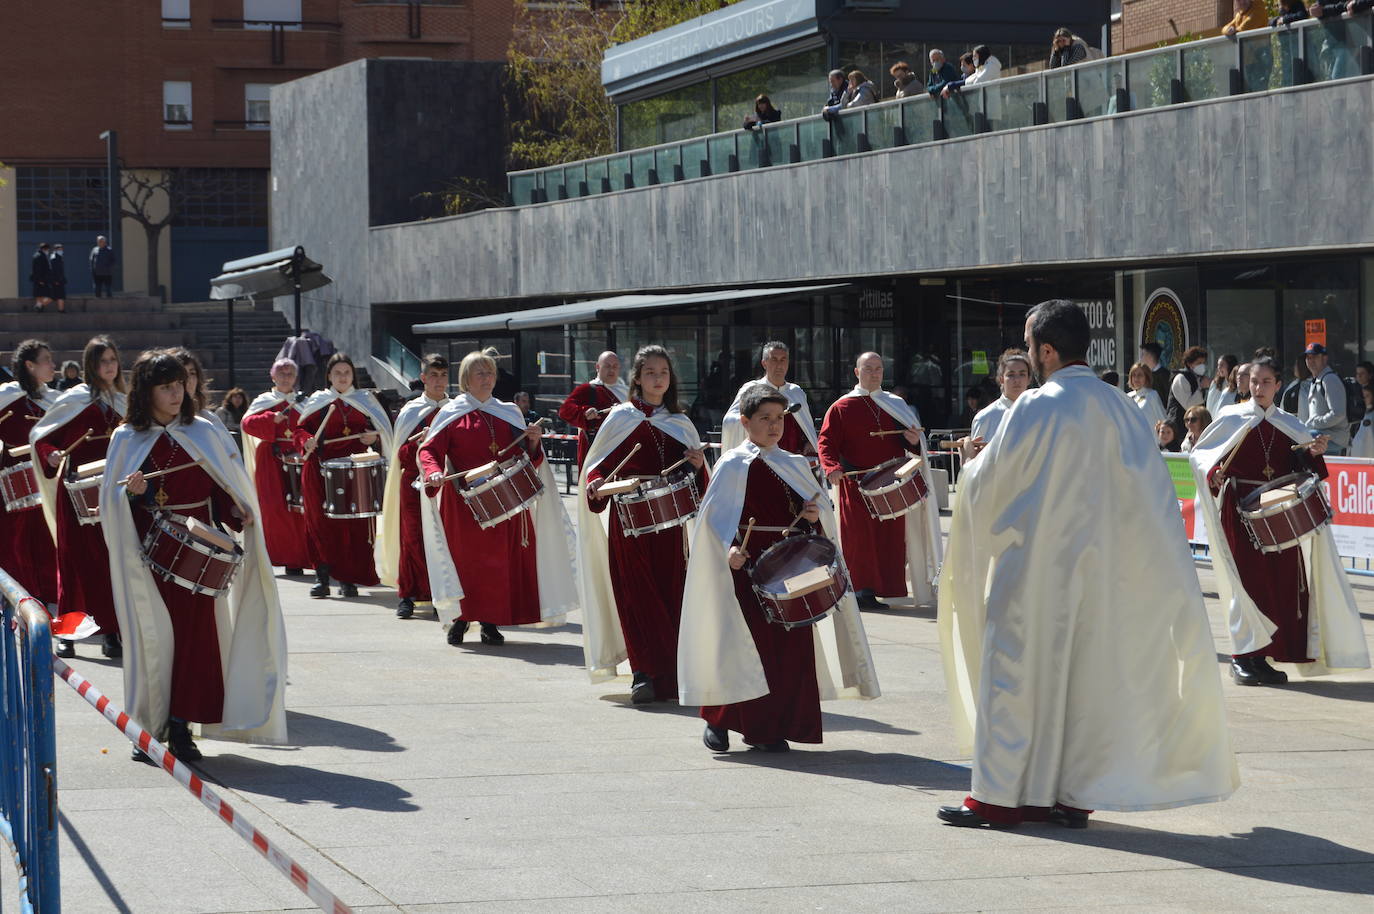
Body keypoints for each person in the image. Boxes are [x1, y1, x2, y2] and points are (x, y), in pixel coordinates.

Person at [937, 299, 1237, 829]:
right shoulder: (1123, 406)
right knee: (1086, 685)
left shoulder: (1034, 406)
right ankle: (1072, 794)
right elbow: (1152, 496)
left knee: (1015, 676)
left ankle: (999, 796)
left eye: (1029, 345)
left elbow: (987, 487)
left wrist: (975, 462)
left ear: (1047, 350)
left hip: (1036, 571)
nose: (1028, 355)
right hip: (1106, 574)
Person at [104, 349, 287, 762]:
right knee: (152, 641)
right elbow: (114, 504)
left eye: (179, 386)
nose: (176, 394)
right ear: (146, 392)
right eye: (165, 388)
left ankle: (183, 727)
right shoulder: (126, 438)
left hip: (198, 555)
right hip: (147, 556)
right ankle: (148, 728)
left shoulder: (204, 431)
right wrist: (133, 492)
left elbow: (223, 486)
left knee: (194, 644)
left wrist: (236, 511)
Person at [679, 385, 880, 753]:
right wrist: (730, 548)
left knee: (788, 649)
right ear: (745, 422)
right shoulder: (732, 464)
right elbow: (712, 522)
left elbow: (814, 519)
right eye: (765, 419)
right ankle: (719, 719)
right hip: (747, 567)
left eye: (779, 419)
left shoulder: (794, 463)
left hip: (789, 568)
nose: (774, 426)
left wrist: (813, 516)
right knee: (741, 645)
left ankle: (770, 727)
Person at [1189, 357, 1370, 687]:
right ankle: (1242, 657)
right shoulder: (1231, 418)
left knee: (1277, 584)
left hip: (1277, 513)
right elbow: (1201, 458)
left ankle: (1263, 656)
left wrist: (1312, 452)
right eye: (1254, 381)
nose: (1258, 388)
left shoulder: (1290, 423)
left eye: (1266, 382)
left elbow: (1303, 469)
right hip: (1240, 510)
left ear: (1277, 384)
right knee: (1246, 584)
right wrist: (1214, 474)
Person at [577, 345, 707, 703]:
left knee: (672, 594)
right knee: (637, 597)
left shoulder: (680, 422)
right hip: (629, 523)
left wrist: (697, 465)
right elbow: (598, 467)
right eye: (650, 372)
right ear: (637, 378)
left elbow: (701, 485)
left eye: (663, 372)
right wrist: (597, 483)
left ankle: (675, 672)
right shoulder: (620, 418)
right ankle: (643, 673)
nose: (657, 378)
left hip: (670, 528)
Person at [418, 350, 575, 645]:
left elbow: (526, 457)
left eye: (490, 373)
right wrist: (433, 472)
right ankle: (461, 619)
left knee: (498, 564)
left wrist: (532, 440)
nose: (487, 378)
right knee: (466, 563)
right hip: (464, 503)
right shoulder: (451, 414)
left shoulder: (508, 411)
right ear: (466, 379)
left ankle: (490, 621)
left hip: (505, 501)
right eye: (480, 373)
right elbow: (429, 450)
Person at [817, 352, 942, 610]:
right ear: (856, 372)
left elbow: (915, 443)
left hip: (891, 483)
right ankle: (862, 591)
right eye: (868, 368)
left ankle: (885, 588)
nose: (874, 373)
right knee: (859, 541)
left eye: (878, 369)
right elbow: (826, 442)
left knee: (890, 540)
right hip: (856, 484)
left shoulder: (895, 403)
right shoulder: (841, 407)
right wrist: (831, 468)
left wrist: (913, 441)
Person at [31, 337, 126, 659]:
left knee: (111, 563)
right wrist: (52, 455)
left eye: (113, 359)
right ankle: (69, 634)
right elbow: (42, 439)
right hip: (75, 493)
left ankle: (111, 633)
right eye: (103, 361)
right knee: (73, 564)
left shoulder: (126, 402)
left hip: (113, 493)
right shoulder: (74, 400)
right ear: (91, 365)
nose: (109, 366)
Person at [294, 353, 392, 598]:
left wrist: (374, 437)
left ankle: (349, 577)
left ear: (352, 376)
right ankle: (322, 577)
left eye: (346, 372)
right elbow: (300, 430)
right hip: (320, 468)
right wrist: (306, 441)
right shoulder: (319, 400)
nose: (342, 377)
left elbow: (382, 430)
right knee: (320, 524)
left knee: (353, 525)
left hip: (355, 468)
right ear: (328, 376)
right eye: (337, 373)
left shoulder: (365, 400)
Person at [378, 354, 449, 620]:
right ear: (423, 378)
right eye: (433, 375)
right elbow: (401, 456)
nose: (438, 381)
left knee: (444, 540)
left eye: (443, 375)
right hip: (413, 485)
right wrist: (416, 443)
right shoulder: (410, 411)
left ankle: (439, 594)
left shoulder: (456, 408)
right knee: (412, 540)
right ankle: (408, 595)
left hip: (446, 483)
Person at [0, 341, 60, 614]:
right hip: (10, 488)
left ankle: (46, 601)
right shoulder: (6, 397)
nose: (53, 364)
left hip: (46, 484)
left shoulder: (56, 401)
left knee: (48, 545)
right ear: (30, 365)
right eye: (46, 359)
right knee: (15, 546)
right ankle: (17, 602)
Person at [239, 358, 310, 576]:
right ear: (273, 376)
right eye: (281, 373)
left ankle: (302, 558)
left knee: (302, 511)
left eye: (290, 374)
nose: (286, 377)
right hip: (271, 461)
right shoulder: (264, 401)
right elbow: (246, 424)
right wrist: (271, 419)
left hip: (300, 460)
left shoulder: (304, 402)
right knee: (275, 510)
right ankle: (281, 556)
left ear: (296, 378)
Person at [719, 341, 818, 456]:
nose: (779, 365)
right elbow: (730, 420)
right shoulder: (751, 390)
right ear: (764, 363)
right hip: (761, 458)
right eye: (774, 359)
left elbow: (806, 428)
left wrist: (809, 442)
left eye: (783, 360)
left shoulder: (796, 392)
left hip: (793, 461)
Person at [557, 351, 628, 467]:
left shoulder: (626, 392)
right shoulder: (587, 389)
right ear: (597, 367)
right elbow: (564, 410)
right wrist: (585, 412)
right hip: (596, 453)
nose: (611, 370)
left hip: (622, 452)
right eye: (607, 366)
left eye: (615, 366)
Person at [961, 349, 1031, 459]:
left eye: (1022, 374)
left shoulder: (1038, 413)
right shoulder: (985, 417)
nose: (1017, 380)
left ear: (1029, 379)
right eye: (1011, 375)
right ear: (1001, 379)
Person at [1303, 343, 1351, 454]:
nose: (1311, 361)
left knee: (1302, 440)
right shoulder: (1318, 379)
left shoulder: (1330, 380)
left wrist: (1315, 423)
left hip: (1333, 438)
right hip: (1324, 437)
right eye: (1308, 357)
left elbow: (1338, 414)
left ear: (1325, 358)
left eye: (1315, 357)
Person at [1166, 346, 1210, 437]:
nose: (1202, 366)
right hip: (1178, 429)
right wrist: (1201, 388)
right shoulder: (1181, 378)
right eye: (1199, 363)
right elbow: (1189, 406)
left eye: (1203, 363)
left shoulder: (1198, 378)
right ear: (1190, 364)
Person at [1126, 361, 1166, 428]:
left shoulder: (1152, 395)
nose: (1136, 378)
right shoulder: (1128, 396)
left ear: (1146, 377)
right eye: (1134, 375)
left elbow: (1162, 419)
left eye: (1140, 375)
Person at [1139, 341, 1172, 411]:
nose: (1140, 358)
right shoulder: (1144, 375)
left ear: (1150, 356)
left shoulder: (1165, 376)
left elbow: (1168, 400)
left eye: (1143, 355)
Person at [1349, 385, 1374, 458]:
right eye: (1363, 396)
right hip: (1357, 455)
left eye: (1367, 396)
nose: (1364, 399)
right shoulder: (1360, 413)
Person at [30, 243, 52, 312]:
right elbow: (38, 269)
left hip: (38, 279)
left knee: (39, 294)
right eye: (48, 249)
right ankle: (39, 306)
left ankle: (39, 307)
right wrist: (40, 280)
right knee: (50, 294)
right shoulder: (40, 256)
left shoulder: (37, 255)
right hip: (41, 279)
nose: (48, 251)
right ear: (44, 249)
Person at [48, 244, 67, 314]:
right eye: (60, 249)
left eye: (61, 249)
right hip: (57, 281)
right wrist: (56, 280)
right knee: (56, 296)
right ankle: (39, 305)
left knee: (60, 296)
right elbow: (53, 270)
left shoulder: (59, 257)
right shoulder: (54, 258)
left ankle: (61, 309)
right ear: (56, 250)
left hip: (60, 280)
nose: (61, 251)